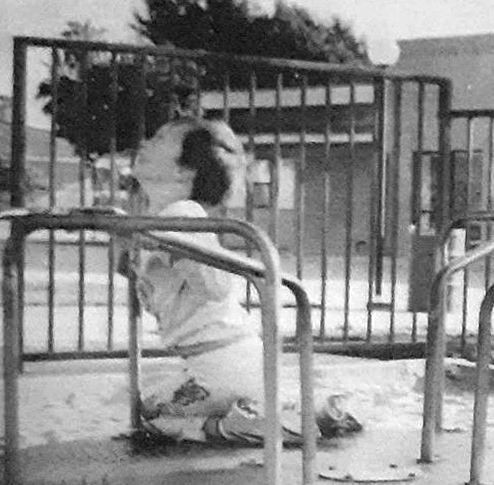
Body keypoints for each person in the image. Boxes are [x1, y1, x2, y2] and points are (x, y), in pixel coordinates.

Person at [122, 117, 361, 445]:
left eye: (162, 137)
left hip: (222, 362)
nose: (148, 142)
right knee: (156, 404)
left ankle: (256, 424)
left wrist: (180, 253)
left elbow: (216, 285)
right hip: (228, 360)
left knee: (152, 413)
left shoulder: (183, 214)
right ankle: (292, 411)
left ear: (183, 172)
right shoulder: (160, 218)